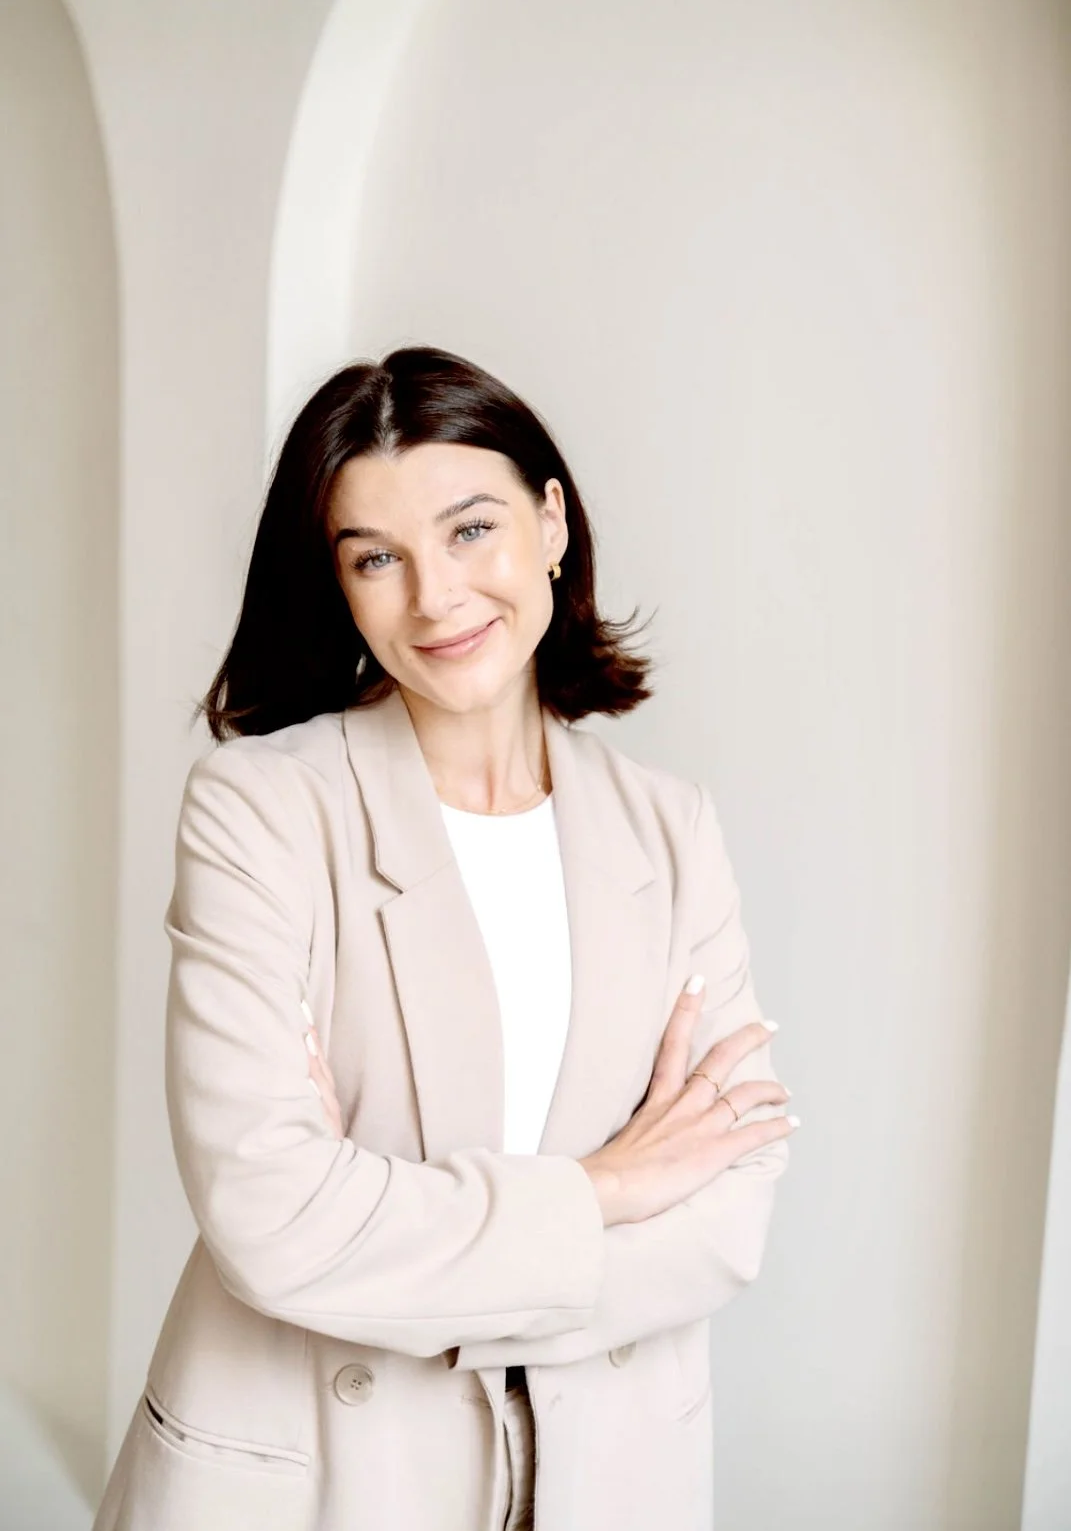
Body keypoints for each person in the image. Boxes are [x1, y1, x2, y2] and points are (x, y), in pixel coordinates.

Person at [92, 345, 797, 1531]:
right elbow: (271, 1220)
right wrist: (605, 1191)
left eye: (473, 529)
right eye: (378, 558)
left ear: (552, 523)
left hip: (606, 1472)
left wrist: (389, 1225)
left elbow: (728, 1216)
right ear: (340, 586)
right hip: (319, 1467)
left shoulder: (670, 832)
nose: (436, 596)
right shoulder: (261, 809)